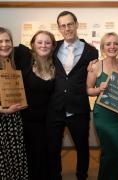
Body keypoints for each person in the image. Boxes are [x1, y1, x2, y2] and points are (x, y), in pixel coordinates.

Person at [46, 11, 98, 180]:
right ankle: (55, 176)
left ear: (76, 24)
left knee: (82, 147)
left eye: (70, 24)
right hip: (55, 107)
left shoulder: (91, 51)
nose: (67, 28)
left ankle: (81, 176)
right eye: (63, 25)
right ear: (59, 28)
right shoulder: (53, 48)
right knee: (53, 148)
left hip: (79, 108)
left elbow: (91, 77)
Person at [14, 30, 56, 180]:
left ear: (52, 46)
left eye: (47, 42)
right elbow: (5, 48)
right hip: (27, 120)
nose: (43, 45)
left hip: (49, 121)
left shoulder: (56, 65)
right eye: (39, 42)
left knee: (47, 155)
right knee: (32, 156)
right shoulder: (24, 60)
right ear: (32, 44)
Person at [86, 32, 118, 180]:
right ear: (103, 47)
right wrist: (99, 89)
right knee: (110, 152)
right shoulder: (96, 66)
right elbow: (88, 90)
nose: (112, 46)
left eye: (116, 43)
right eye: (108, 44)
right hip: (104, 116)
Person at [0, 27, 28, 180]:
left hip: (14, 123)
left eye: (7, 40)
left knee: (16, 163)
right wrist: (4, 111)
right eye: (0, 41)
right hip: (2, 122)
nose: (4, 44)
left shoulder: (14, 64)